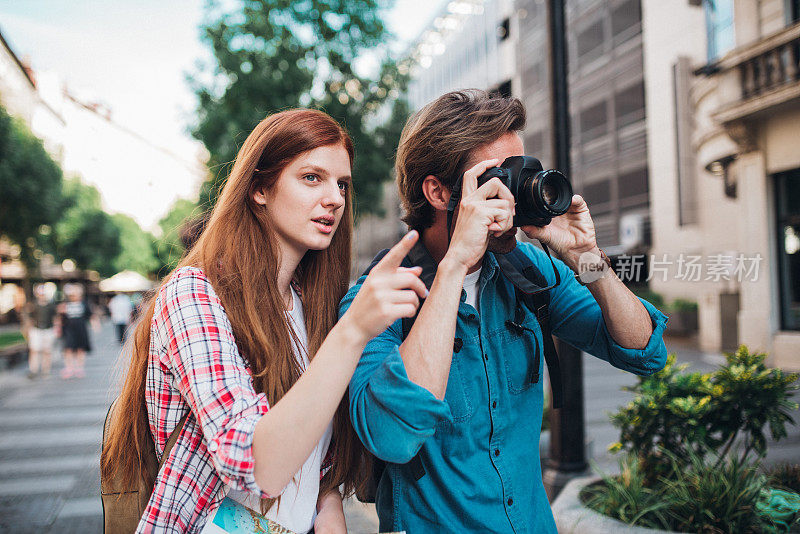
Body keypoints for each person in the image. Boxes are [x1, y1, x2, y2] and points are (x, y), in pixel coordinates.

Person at [340, 89, 669, 533]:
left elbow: (642, 351)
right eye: (498, 180)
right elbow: (392, 436)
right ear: (438, 191)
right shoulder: (378, 297)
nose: (515, 198)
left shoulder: (525, 268)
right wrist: (455, 264)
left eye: (521, 173)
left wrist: (587, 257)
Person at [100, 109, 426, 534]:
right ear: (259, 188)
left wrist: (329, 504)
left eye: (342, 184)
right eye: (312, 177)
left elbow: (314, 453)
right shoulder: (194, 295)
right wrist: (353, 332)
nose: (335, 199)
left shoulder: (313, 306)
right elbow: (254, 464)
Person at [59, 283, 94, 379]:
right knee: (68, 349)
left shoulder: (84, 303)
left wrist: (95, 324)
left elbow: (90, 315)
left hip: (81, 330)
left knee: (80, 349)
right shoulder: (65, 304)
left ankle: (79, 368)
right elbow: (60, 318)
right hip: (68, 330)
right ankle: (69, 368)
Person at [22, 284, 59, 378]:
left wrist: (57, 328)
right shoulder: (33, 305)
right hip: (36, 329)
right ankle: (33, 369)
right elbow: (29, 318)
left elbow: (55, 318)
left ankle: (45, 370)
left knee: (47, 351)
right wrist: (27, 329)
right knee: (34, 350)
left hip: (48, 329)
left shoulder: (51, 305)